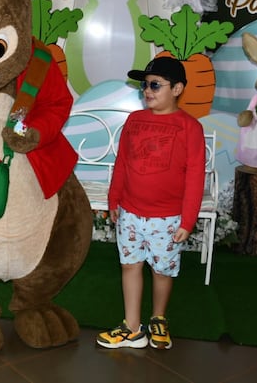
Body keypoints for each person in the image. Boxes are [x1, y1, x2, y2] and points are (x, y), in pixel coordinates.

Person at [96, 57, 205, 350]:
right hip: (130, 212)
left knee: (162, 270)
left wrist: (187, 220)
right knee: (130, 266)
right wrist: (113, 199)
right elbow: (122, 163)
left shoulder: (189, 127)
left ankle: (158, 317)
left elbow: (195, 176)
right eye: (145, 85)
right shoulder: (134, 120)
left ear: (178, 88)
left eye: (155, 84)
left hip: (167, 218)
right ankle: (132, 327)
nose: (147, 90)